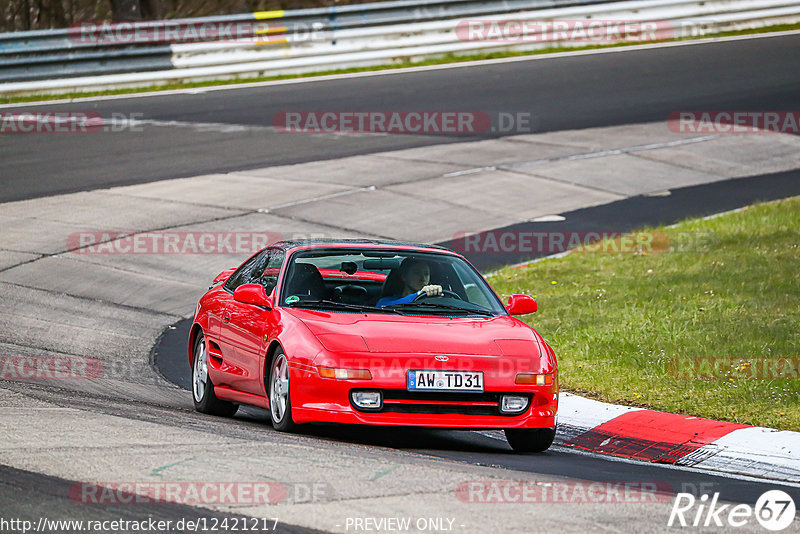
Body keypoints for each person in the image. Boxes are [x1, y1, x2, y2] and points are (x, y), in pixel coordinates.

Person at [376, 258, 442, 307]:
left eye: (426, 274)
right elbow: (383, 306)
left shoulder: (434, 301)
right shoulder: (386, 301)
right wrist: (418, 294)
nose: (423, 279)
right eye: (417, 273)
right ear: (404, 277)